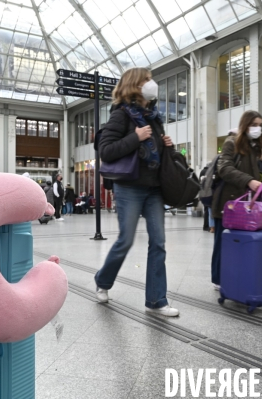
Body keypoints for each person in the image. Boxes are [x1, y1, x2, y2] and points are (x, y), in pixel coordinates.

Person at [94, 67, 178, 316]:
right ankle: (103, 280)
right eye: (148, 80)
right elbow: (106, 150)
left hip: (154, 189)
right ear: (135, 84)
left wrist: (166, 147)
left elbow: (155, 156)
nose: (152, 84)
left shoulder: (154, 116)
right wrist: (136, 137)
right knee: (126, 240)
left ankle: (156, 301)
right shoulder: (121, 115)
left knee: (159, 243)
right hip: (129, 187)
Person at [210, 111, 262, 290]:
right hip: (229, 202)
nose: (258, 128)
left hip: (244, 204)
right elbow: (224, 168)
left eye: (260, 125)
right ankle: (219, 279)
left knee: (237, 242)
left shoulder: (252, 146)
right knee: (222, 241)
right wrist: (249, 181)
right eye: (254, 124)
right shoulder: (231, 142)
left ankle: (235, 274)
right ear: (245, 125)